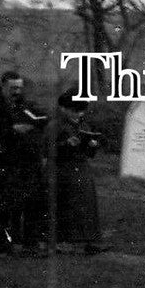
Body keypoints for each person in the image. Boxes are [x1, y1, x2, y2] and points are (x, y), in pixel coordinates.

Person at [0, 71, 48, 256]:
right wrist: (12, 130)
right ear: (3, 86)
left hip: (23, 162)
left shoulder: (22, 104)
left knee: (25, 203)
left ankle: (23, 244)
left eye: (19, 87)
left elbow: (40, 117)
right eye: (13, 88)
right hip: (1, 162)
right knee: (2, 207)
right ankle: (3, 246)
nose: (17, 91)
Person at [45, 89, 108, 255]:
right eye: (75, 111)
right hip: (63, 169)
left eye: (81, 111)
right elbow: (48, 150)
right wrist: (66, 144)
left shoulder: (83, 125)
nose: (78, 115)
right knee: (66, 206)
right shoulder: (55, 125)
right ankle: (63, 241)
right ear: (64, 108)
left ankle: (88, 240)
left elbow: (89, 153)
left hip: (81, 169)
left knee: (87, 206)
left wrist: (92, 145)